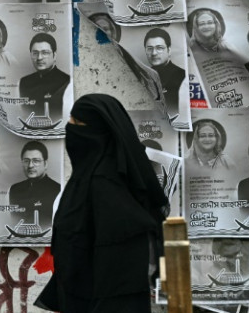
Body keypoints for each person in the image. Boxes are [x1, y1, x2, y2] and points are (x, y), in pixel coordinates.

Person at [35, 94, 168, 313]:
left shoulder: (105, 184)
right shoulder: (95, 177)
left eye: (77, 123)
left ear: (96, 134)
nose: (70, 128)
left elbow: (119, 266)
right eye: (70, 120)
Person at [8, 141, 61, 230]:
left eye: (36, 161)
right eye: (26, 161)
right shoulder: (14, 190)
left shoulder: (58, 190)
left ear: (45, 164)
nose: (30, 165)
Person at [18, 33, 70, 120]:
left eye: (45, 53)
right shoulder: (23, 82)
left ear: (54, 55)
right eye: (35, 53)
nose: (39, 58)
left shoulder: (66, 81)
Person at [144, 28, 185, 112]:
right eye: (149, 48)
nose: (154, 53)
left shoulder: (183, 76)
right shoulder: (143, 75)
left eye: (159, 48)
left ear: (169, 50)